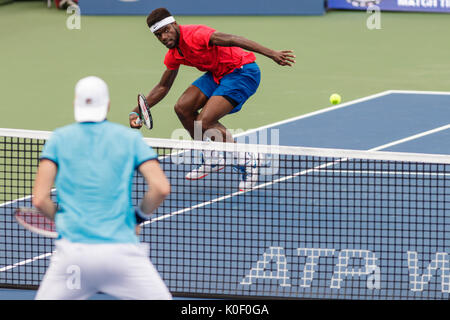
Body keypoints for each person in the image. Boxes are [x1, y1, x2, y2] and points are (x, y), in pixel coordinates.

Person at [32, 76, 172, 300]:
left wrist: (63, 220)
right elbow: (161, 188)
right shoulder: (130, 139)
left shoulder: (58, 139)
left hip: (73, 259)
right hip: (121, 255)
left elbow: (39, 199)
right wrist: (137, 217)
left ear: (75, 103)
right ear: (107, 105)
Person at [129, 8, 295, 191]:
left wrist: (272, 53)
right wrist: (136, 111)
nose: (163, 37)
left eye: (166, 30)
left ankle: (248, 160)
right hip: (218, 74)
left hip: (242, 71)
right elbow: (163, 87)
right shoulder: (174, 54)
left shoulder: (196, 34)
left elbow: (234, 39)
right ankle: (212, 157)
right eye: (158, 35)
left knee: (204, 121)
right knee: (182, 108)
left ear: (175, 25)